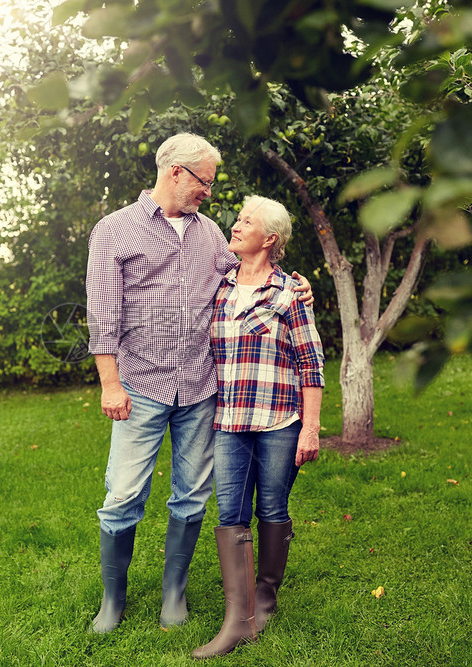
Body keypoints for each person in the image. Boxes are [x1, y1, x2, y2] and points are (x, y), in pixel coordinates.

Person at [85, 134, 313, 634]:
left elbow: (250, 276)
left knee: (190, 497)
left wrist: (295, 285)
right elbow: (102, 314)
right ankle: (112, 600)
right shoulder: (114, 230)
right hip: (139, 385)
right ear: (177, 174)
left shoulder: (211, 234)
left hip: (201, 389)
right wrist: (110, 384)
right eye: (204, 181)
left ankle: (174, 594)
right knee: (122, 496)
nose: (209, 192)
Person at [191, 196, 325, 659]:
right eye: (238, 218)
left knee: (272, 505)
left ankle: (264, 598)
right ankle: (239, 617)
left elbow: (312, 364)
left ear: (270, 238)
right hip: (229, 421)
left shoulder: (290, 292)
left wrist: (311, 428)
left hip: (279, 420)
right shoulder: (220, 286)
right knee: (230, 512)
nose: (235, 224)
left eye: (246, 221)